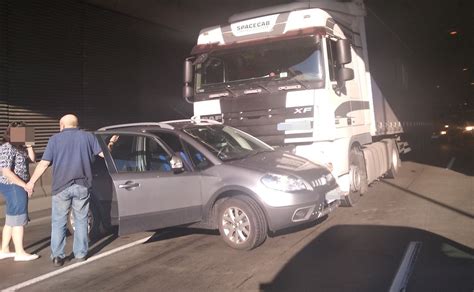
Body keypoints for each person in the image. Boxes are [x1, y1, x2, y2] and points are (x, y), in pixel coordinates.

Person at [26, 114, 103, 267]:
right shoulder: (88, 137)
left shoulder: (55, 139)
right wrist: (111, 144)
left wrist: (31, 182)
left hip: (61, 187)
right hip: (82, 185)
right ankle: (81, 254)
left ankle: (57, 256)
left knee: (59, 222)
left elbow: (43, 163)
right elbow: (102, 155)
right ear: (77, 124)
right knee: (81, 220)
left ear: (61, 125)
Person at [0, 121, 39, 262]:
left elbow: (33, 159)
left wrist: (29, 145)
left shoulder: (20, 148)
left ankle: (4, 249)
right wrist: (25, 185)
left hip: (17, 185)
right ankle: (19, 252)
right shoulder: (7, 147)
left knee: (11, 218)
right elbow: (5, 171)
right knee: (18, 217)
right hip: (13, 185)